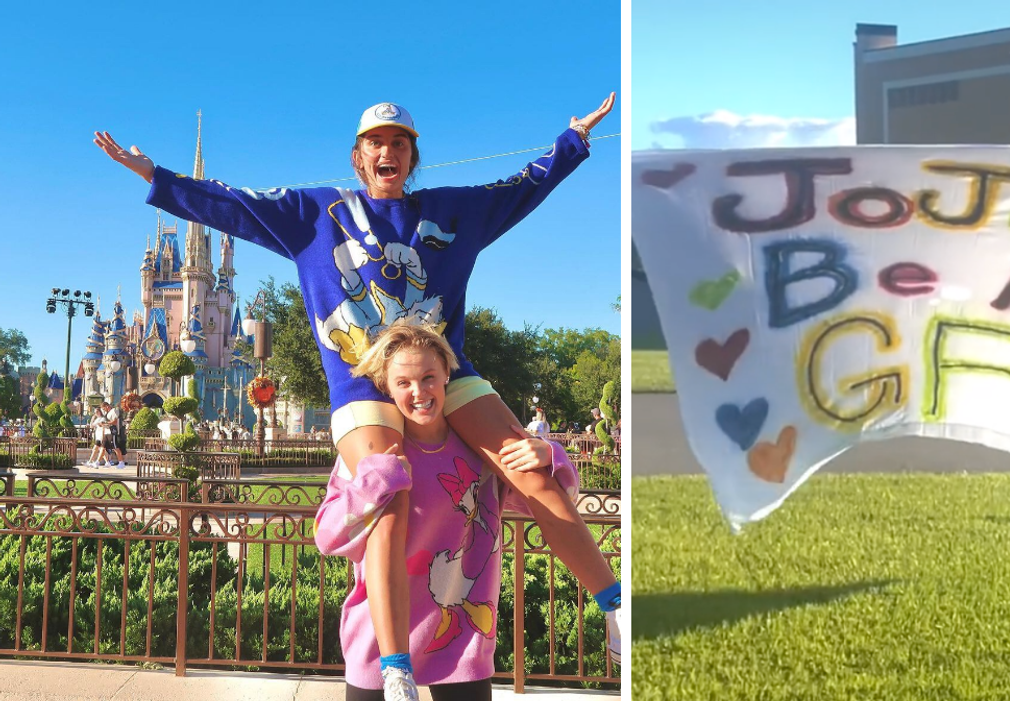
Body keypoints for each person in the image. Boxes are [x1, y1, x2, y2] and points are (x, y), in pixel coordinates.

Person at [94, 96, 623, 698]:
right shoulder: (314, 214)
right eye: (376, 141)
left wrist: (573, 139)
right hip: (361, 382)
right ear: (358, 155)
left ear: (412, 155)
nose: (387, 151)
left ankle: (615, 608)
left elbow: (518, 190)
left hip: (440, 371)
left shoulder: (453, 214)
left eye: (399, 142)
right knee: (387, 488)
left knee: (529, 467)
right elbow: (234, 207)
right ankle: (394, 666)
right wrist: (155, 176)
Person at [316, 321, 594, 700]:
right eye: (404, 383)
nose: (419, 392)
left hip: (462, 640)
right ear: (386, 387)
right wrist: (374, 481)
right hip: (379, 648)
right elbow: (329, 537)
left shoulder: (479, 450)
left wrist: (551, 455)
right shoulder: (370, 455)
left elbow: (552, 506)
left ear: (448, 373)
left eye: (429, 377)